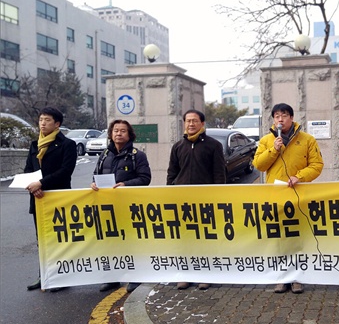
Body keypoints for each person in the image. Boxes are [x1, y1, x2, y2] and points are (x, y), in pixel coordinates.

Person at [253, 103, 324, 294]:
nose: (280, 119)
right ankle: (281, 277)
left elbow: (317, 165)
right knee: (279, 238)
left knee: (297, 236)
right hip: (275, 196)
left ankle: (297, 278)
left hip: (299, 195)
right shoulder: (267, 140)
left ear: (292, 118)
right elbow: (258, 165)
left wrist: (299, 176)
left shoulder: (307, 139)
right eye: (276, 116)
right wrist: (273, 150)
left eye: (284, 115)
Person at [167, 109, 226, 290]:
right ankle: (186, 273)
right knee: (185, 238)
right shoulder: (178, 146)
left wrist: (218, 197)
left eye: (195, 121)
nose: (191, 124)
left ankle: (205, 274)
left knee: (205, 238)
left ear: (202, 124)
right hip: (182, 201)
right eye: (188, 121)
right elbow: (172, 173)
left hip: (206, 201)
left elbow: (219, 173)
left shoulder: (213, 145)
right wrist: (170, 193)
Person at [91, 120, 152, 293]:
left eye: (123, 131)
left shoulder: (137, 155)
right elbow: (96, 175)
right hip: (108, 207)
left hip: (130, 206)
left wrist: (126, 184)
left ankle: (136, 276)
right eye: (115, 130)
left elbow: (145, 178)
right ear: (111, 134)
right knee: (111, 242)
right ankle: (112, 277)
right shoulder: (104, 155)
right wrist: (93, 184)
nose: (118, 134)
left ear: (129, 134)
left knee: (132, 242)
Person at [25, 107, 77, 292]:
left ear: (57, 124)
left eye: (47, 120)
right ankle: (44, 276)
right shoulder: (34, 145)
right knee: (43, 240)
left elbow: (65, 171)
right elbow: (27, 171)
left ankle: (62, 278)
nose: (43, 123)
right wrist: (33, 188)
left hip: (58, 198)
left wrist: (41, 182)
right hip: (39, 200)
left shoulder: (67, 144)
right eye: (40, 120)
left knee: (59, 239)